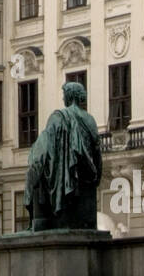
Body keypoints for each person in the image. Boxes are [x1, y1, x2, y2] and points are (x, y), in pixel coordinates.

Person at [25, 81, 103, 230]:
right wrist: (96, 176)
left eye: (64, 95)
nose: (62, 99)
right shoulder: (90, 119)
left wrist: (35, 158)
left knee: (36, 172)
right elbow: (97, 152)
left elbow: (46, 144)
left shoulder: (58, 116)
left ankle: (40, 221)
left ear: (68, 96)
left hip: (68, 175)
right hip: (86, 174)